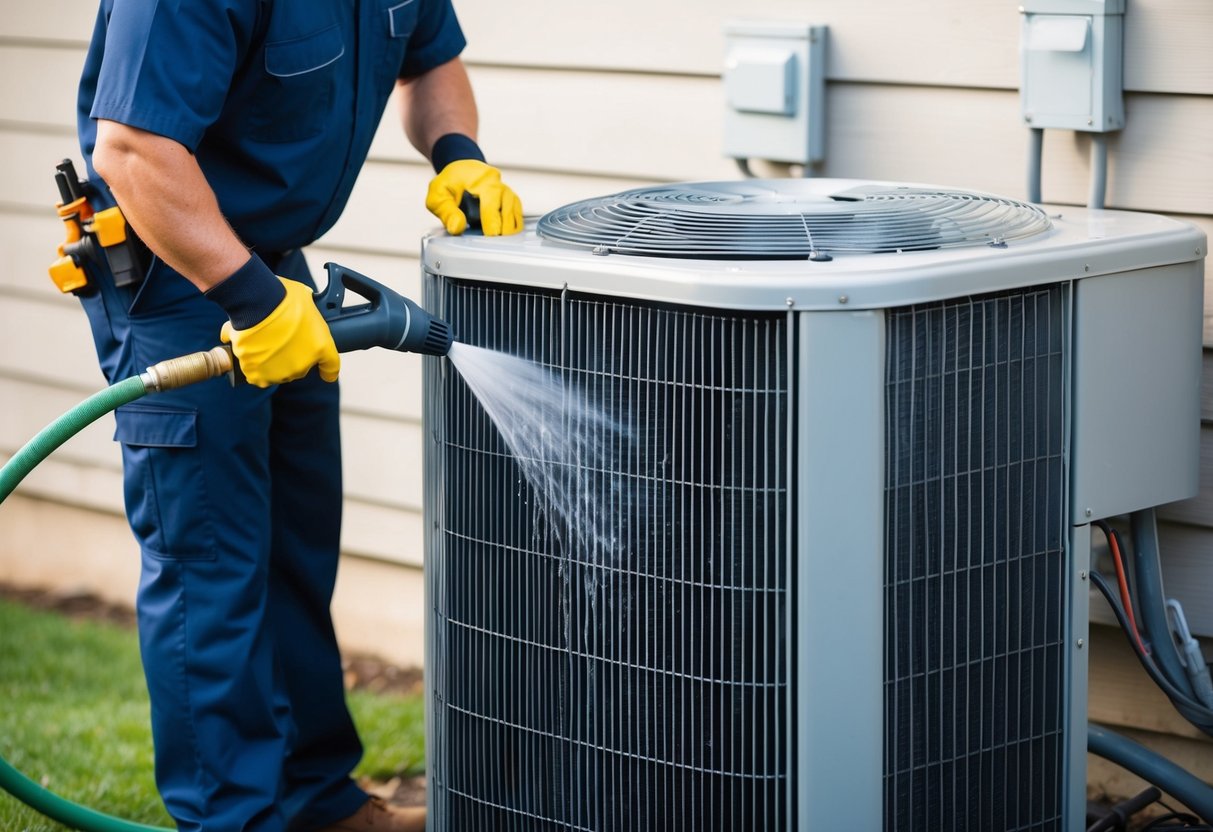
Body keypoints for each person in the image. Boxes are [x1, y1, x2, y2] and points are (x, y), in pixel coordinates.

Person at [72, 1, 522, 830]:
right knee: (211, 570)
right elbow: (132, 149)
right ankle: (233, 818)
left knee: (295, 551)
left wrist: (457, 152)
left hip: (280, 275)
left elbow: (433, 64)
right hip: (178, 279)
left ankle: (318, 799)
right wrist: (247, 299)